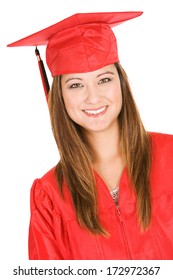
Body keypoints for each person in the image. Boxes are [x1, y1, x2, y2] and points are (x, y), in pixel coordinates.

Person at [8, 11, 173, 260]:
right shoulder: (50, 197)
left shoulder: (170, 157)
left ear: (121, 83)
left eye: (104, 79)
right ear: (59, 97)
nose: (93, 97)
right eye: (76, 84)